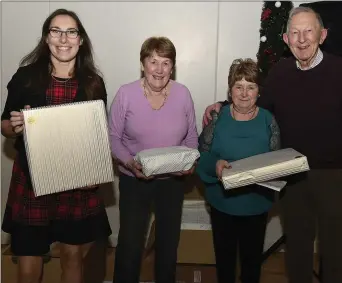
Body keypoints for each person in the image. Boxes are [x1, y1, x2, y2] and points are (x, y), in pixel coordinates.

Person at [202, 6, 342, 283]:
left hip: (336, 178)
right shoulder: (280, 72)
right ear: (286, 39)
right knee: (298, 252)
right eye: (295, 33)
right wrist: (223, 104)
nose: (302, 39)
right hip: (292, 176)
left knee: (332, 254)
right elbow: (256, 103)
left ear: (322, 35)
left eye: (308, 31)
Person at [1, 9, 112, 283]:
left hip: (76, 182)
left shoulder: (93, 84)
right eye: (56, 31)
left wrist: (93, 177)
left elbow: (98, 138)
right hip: (32, 181)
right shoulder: (26, 77)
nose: (64, 38)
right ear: (46, 38)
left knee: (73, 257)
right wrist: (13, 126)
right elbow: (4, 124)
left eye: (71, 31)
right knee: (28, 260)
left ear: (81, 40)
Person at [108, 36, 198, 283]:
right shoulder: (125, 94)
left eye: (166, 63)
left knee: (168, 244)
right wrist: (129, 163)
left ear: (173, 66)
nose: (159, 69)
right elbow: (113, 137)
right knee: (130, 244)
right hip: (134, 180)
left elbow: (192, 136)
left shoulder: (182, 94)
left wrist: (189, 163)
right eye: (153, 61)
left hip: (172, 181)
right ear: (143, 64)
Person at [196, 58, 280, 283]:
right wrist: (215, 165)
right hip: (223, 203)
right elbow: (201, 155)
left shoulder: (268, 120)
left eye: (250, 87)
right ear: (230, 89)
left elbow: (277, 159)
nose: (244, 93)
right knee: (225, 265)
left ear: (258, 91)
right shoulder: (217, 117)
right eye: (238, 86)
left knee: (252, 265)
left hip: (256, 204)